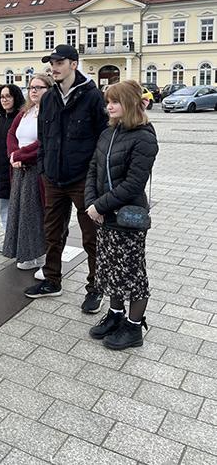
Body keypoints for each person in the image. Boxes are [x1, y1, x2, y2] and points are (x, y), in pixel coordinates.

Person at [25, 45, 109, 313]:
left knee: (91, 236)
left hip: (83, 179)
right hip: (53, 177)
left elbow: (102, 139)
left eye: (59, 62)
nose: (54, 66)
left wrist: (95, 177)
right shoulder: (49, 98)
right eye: (51, 62)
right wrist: (43, 167)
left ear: (74, 64)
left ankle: (95, 288)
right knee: (52, 232)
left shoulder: (92, 97)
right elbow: (43, 137)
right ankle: (52, 280)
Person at [85, 80, 158, 349]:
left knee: (132, 274)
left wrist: (99, 206)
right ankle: (116, 315)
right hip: (104, 216)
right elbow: (93, 168)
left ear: (128, 103)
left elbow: (133, 184)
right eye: (108, 101)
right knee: (110, 270)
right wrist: (92, 203)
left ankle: (134, 327)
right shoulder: (108, 133)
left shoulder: (144, 137)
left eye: (114, 101)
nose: (109, 106)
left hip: (127, 217)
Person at [2, 74, 53, 269]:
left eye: (39, 87)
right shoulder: (25, 112)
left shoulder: (50, 113)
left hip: (36, 170)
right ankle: (26, 254)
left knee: (34, 213)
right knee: (20, 213)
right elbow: (11, 134)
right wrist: (13, 155)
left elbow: (44, 143)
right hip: (19, 170)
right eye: (31, 87)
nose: (33, 90)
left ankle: (40, 255)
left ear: (49, 90)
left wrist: (21, 156)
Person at [0, 83, 26, 231]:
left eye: (8, 96)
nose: (4, 100)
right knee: (4, 207)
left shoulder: (23, 117)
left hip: (18, 170)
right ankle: (8, 238)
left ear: (16, 97)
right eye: (2, 96)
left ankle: (19, 240)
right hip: (0, 170)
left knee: (20, 208)